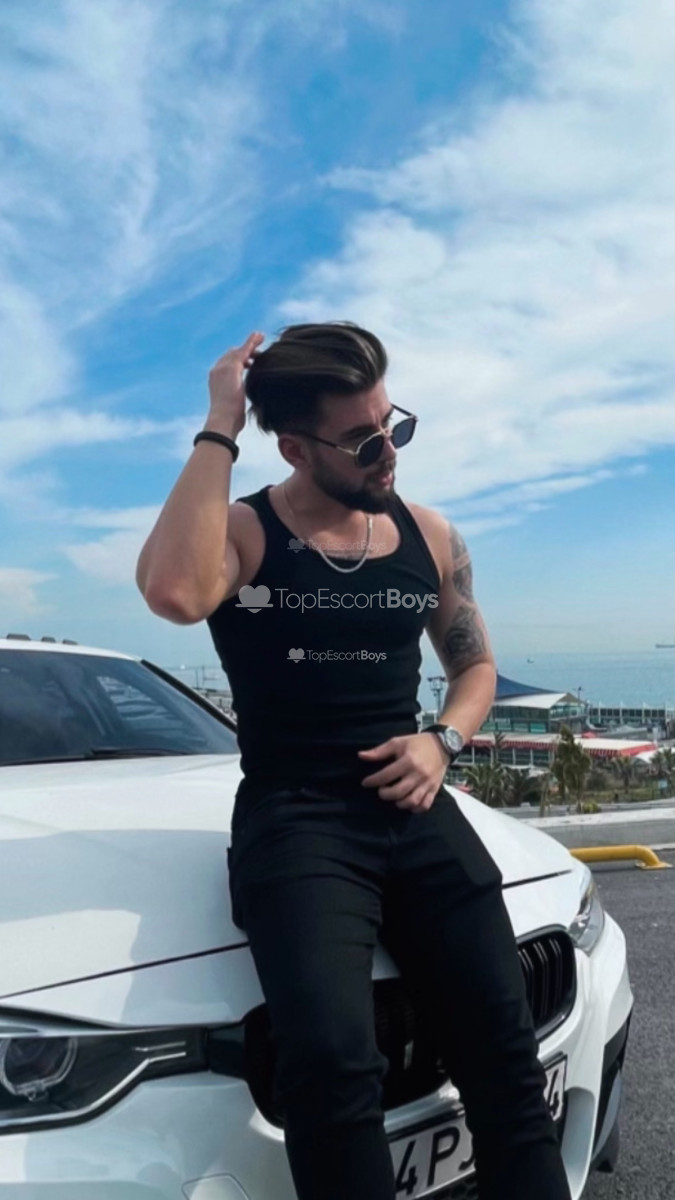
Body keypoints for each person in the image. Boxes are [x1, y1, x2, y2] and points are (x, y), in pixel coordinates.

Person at [136, 323, 572, 1200]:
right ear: (295, 448)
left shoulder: (427, 533)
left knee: (503, 1050)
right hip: (298, 817)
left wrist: (442, 741)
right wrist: (220, 421)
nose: (390, 453)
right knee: (332, 1067)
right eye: (364, 441)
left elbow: (474, 667)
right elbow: (175, 592)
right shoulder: (246, 532)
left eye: (393, 425)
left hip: (417, 807)